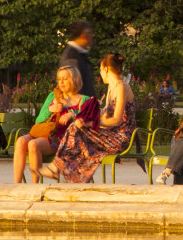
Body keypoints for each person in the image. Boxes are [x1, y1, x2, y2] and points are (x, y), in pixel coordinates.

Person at [46, 53, 136, 184]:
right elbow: (105, 114)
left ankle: (64, 171)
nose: (100, 73)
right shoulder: (112, 88)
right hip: (111, 134)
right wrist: (84, 115)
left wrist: (90, 123)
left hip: (120, 138)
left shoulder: (121, 87)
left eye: (100, 69)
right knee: (76, 129)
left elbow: (117, 120)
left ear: (105, 69)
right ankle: (73, 176)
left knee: (75, 129)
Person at [12, 63, 98, 183]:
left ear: (74, 79)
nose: (61, 82)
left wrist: (73, 115)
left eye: (65, 79)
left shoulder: (84, 100)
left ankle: (34, 186)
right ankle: (17, 184)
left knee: (33, 144)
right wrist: (50, 109)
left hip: (60, 138)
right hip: (43, 131)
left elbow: (87, 121)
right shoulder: (53, 95)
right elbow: (38, 120)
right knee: (21, 141)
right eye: (59, 79)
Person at [60, 21, 96, 97]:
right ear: (84, 35)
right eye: (90, 33)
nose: (93, 36)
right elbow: (73, 88)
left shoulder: (80, 54)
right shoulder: (71, 57)